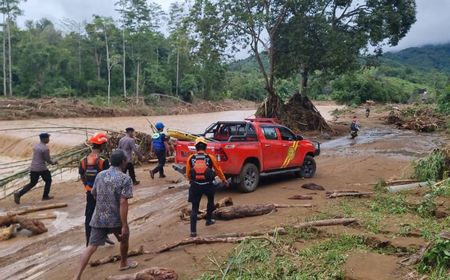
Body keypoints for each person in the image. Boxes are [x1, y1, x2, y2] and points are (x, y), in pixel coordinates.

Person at [74, 149, 137, 280]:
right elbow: (123, 202)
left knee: (91, 247)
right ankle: (123, 263)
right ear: (123, 162)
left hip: (98, 217)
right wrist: (124, 224)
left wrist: (102, 207)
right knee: (124, 237)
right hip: (115, 217)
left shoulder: (100, 175)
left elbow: (94, 194)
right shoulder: (125, 178)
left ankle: (77, 276)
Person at [186, 137, 228, 237]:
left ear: (196, 147)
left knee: (194, 208)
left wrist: (191, 181)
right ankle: (208, 220)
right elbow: (218, 170)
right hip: (208, 185)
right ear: (205, 147)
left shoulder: (190, 158)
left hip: (195, 185)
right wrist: (224, 180)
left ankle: (193, 231)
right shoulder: (210, 157)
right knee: (210, 201)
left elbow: (188, 173)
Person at [79, 132, 114, 246]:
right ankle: (104, 235)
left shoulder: (83, 160)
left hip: (89, 192)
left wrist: (88, 188)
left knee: (89, 216)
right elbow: (107, 178)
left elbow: (82, 175)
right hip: (102, 193)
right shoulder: (103, 161)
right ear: (102, 146)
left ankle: (88, 241)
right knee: (105, 214)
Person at [14, 133, 58, 204]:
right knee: (48, 180)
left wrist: (50, 159)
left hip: (33, 167)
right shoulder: (45, 148)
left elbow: (41, 157)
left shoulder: (36, 146)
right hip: (41, 168)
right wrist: (54, 162)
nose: (49, 140)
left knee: (32, 183)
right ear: (44, 139)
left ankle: (19, 194)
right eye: (48, 138)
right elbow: (48, 160)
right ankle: (45, 196)